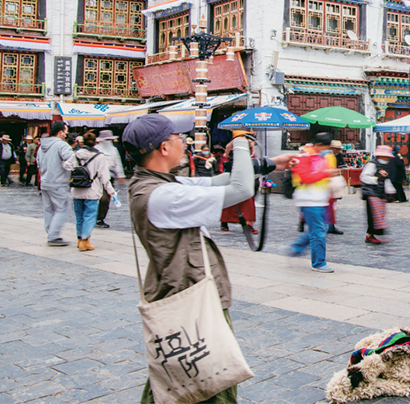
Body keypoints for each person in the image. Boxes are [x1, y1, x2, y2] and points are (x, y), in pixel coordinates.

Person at [123, 114, 296, 403]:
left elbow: (217, 182)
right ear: (164, 147)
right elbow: (239, 189)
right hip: (190, 297)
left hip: (183, 290)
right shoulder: (163, 195)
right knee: (210, 378)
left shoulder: (156, 184)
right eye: (178, 138)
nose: (184, 142)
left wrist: (270, 163)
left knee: (176, 377)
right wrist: (239, 140)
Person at [287, 132, 341, 272]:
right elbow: (304, 177)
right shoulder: (305, 156)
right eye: (326, 147)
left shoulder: (319, 156)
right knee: (318, 231)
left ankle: (296, 247)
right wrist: (327, 173)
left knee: (320, 229)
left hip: (320, 199)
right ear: (318, 145)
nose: (328, 150)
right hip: (309, 199)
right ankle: (318, 263)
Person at [63, 132, 115, 251]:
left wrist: (76, 169)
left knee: (79, 216)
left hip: (77, 190)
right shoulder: (100, 157)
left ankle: (79, 239)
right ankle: (85, 240)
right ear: (95, 142)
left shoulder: (76, 155)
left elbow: (66, 166)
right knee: (90, 216)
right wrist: (110, 190)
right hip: (92, 190)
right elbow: (104, 176)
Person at [37, 121, 76, 246]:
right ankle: (53, 235)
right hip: (58, 182)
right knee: (62, 208)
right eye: (65, 131)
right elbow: (71, 160)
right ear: (60, 132)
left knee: (49, 209)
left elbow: (38, 163)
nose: (66, 134)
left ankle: (50, 232)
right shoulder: (62, 145)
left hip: (45, 182)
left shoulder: (42, 146)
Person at [220, 134, 260, 234]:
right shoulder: (230, 152)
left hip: (246, 181)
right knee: (228, 202)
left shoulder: (250, 154)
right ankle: (224, 222)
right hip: (231, 179)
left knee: (246, 205)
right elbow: (224, 163)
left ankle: (247, 224)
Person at [361, 145, 394, 244]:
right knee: (373, 215)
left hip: (378, 193)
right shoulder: (372, 164)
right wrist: (377, 179)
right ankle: (370, 235)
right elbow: (364, 177)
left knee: (378, 214)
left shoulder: (385, 165)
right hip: (371, 193)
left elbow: (386, 180)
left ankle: (371, 234)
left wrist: (390, 192)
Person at [95, 130, 125, 229]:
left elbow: (118, 162)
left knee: (106, 199)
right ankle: (93, 216)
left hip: (109, 177)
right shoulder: (97, 149)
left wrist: (120, 174)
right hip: (97, 177)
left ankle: (100, 218)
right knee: (97, 197)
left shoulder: (113, 150)